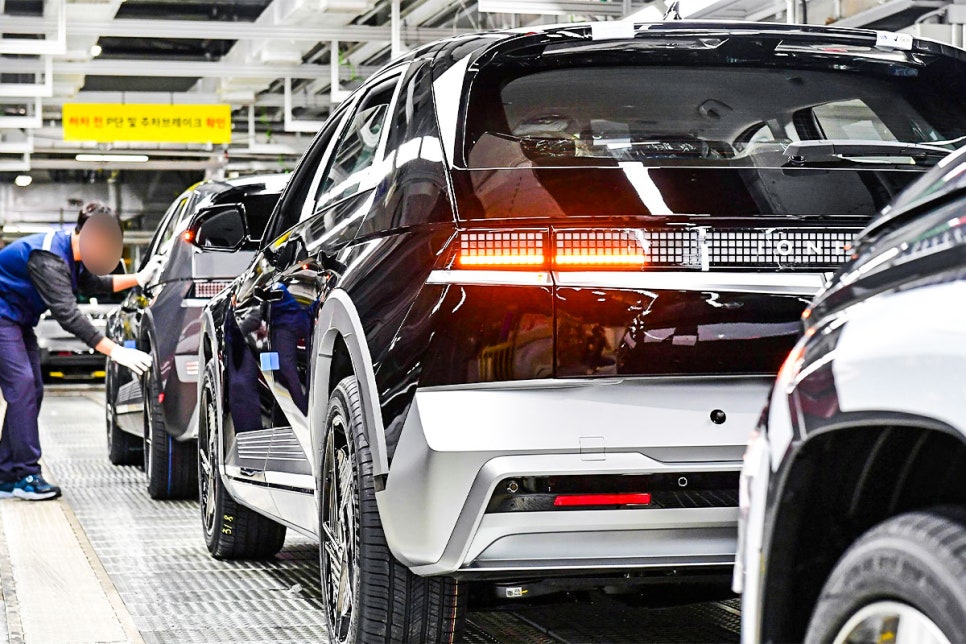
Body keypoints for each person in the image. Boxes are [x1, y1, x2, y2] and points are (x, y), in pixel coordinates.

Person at [0, 202, 163, 501]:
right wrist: (115, 351)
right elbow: (69, 316)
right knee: (22, 385)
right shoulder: (49, 258)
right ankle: (25, 474)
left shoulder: (74, 256)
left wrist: (139, 278)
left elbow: (97, 284)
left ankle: (7, 475)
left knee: (31, 389)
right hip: (3, 317)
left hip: (17, 319)